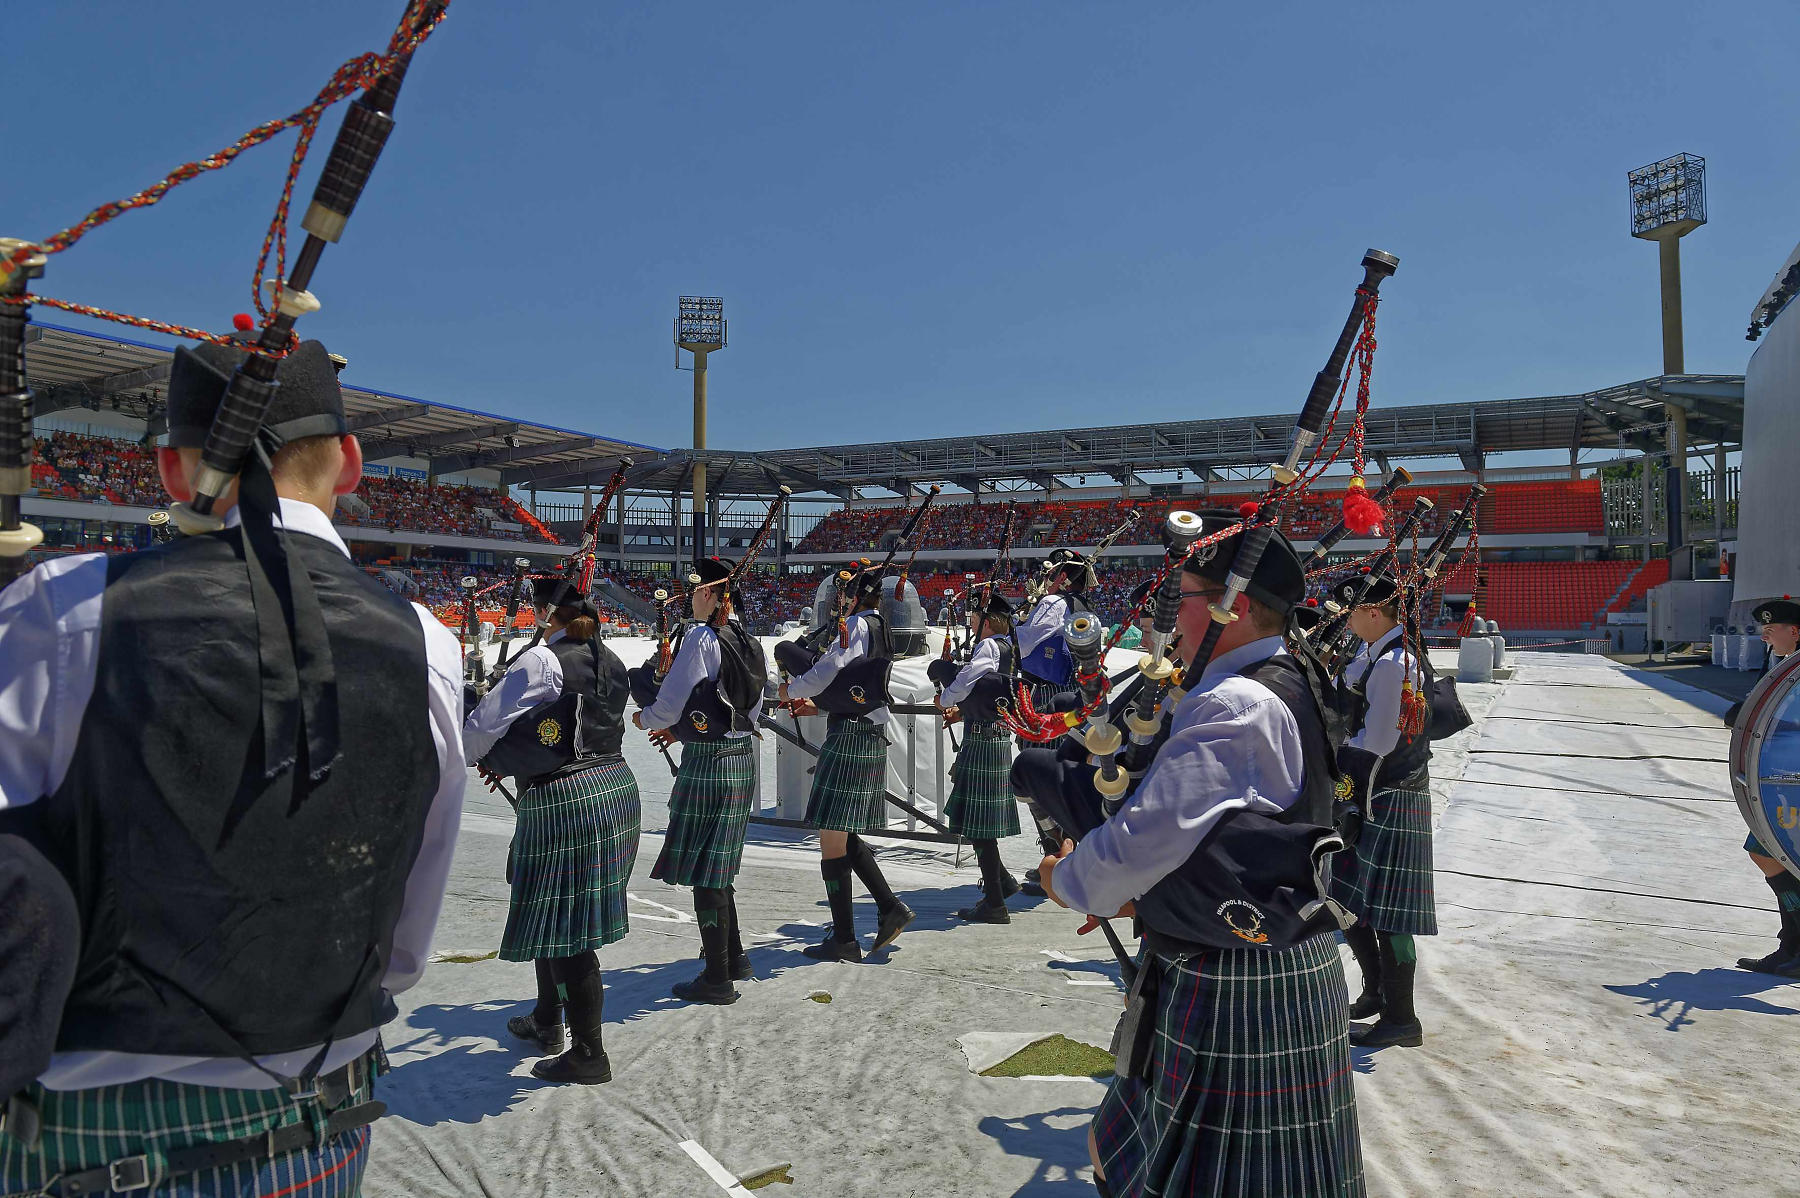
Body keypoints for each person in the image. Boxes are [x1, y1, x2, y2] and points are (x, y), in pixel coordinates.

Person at [0, 339, 467, 1196]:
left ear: (175, 474)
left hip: (96, 1140)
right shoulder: (428, 643)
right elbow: (405, 939)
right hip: (323, 1122)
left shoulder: (60, 611)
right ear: (352, 461)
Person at [1037, 519, 1364, 1198]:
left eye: (1181, 595)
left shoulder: (1237, 702)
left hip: (1236, 976)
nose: (1168, 614)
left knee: (1184, 1175)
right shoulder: (1291, 672)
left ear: (1233, 606)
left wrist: (1069, 881)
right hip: (1272, 957)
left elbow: (1143, 843)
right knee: (1142, 1154)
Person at [465, 577, 638, 1084]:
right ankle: (547, 1018)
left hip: (566, 799)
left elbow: (480, 730)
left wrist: (484, 746)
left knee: (568, 929)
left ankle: (589, 1054)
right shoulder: (612, 660)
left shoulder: (542, 659)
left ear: (544, 613)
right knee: (556, 912)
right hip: (614, 786)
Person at [633, 557, 767, 1004]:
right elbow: (733, 708)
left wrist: (646, 717)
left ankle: (716, 978)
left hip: (709, 763)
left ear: (709, 593)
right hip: (739, 759)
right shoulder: (749, 640)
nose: (689, 598)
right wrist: (682, 727)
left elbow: (670, 703)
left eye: (694, 590)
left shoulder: (702, 637)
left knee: (708, 873)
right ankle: (734, 957)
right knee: (719, 863)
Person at [779, 565, 915, 961]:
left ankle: (844, 938)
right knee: (840, 831)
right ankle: (889, 907)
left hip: (851, 734)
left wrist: (793, 688)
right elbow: (849, 684)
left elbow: (831, 670)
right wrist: (818, 701)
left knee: (831, 837)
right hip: (868, 732)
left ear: (852, 597)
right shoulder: (881, 628)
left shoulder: (855, 625)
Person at [1329, 571, 1435, 1049]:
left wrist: (1335, 748)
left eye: (1352, 612)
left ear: (1373, 612)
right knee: (1357, 902)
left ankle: (1402, 1018)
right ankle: (1377, 994)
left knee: (1392, 912)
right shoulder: (1379, 655)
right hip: (1378, 790)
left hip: (1389, 791)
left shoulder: (1395, 663)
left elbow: (1380, 740)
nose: (1347, 621)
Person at [936, 589, 1024, 924]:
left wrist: (946, 698)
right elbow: (990, 691)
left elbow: (967, 681)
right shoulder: (1010, 649)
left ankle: (995, 903)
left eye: (975, 617)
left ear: (988, 621)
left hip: (984, 740)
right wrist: (963, 710)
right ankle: (1002, 881)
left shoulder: (988, 646)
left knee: (980, 827)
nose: (971, 622)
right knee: (977, 822)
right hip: (996, 735)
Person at [1732, 597, 1800, 976]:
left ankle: (1793, 943)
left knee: (1774, 851)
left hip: (1790, 779)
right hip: (1779, 777)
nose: (1765, 637)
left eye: (1771, 630)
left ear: (1795, 631)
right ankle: (1791, 942)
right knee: (1770, 852)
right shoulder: (1781, 665)